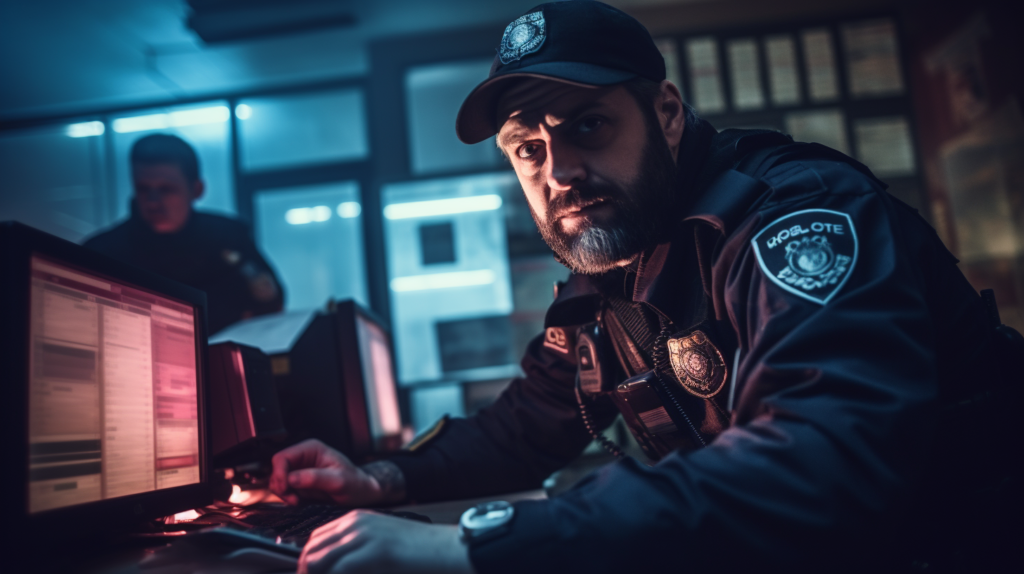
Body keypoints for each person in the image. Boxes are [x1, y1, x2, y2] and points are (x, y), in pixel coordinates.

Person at [269, 2, 1021, 573]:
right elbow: (526, 424)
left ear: (665, 115)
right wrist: (377, 478)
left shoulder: (795, 219)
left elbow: (820, 457)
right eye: (529, 150)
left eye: (587, 126)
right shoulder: (614, 267)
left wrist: (473, 544)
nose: (559, 172)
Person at [84, 134, 284, 334]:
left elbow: (270, 299)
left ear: (197, 189)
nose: (153, 201)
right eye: (143, 189)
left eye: (166, 189)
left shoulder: (228, 237)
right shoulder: (102, 254)